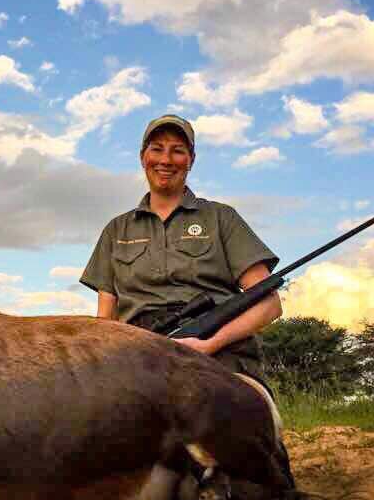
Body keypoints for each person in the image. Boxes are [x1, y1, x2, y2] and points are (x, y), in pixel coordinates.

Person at [80, 114, 282, 382]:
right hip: (137, 352)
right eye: (157, 149)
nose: (165, 160)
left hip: (218, 348)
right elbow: (105, 322)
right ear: (143, 157)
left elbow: (270, 305)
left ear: (191, 160)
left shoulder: (221, 218)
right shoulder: (116, 230)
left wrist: (212, 343)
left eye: (177, 151)